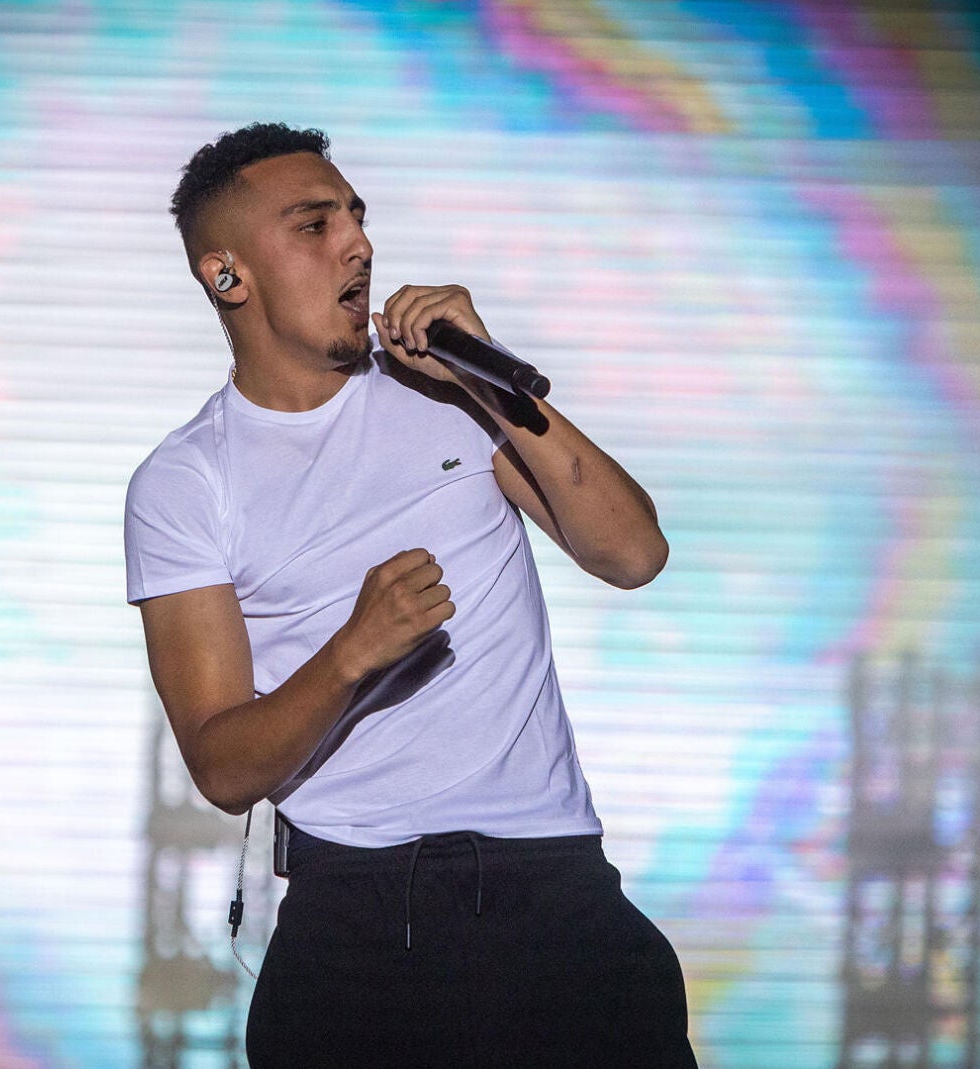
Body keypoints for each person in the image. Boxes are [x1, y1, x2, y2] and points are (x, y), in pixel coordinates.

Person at [125, 122, 695, 1068]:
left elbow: (634, 553)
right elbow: (223, 766)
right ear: (227, 275)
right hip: (360, 915)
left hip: (554, 885)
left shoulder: (449, 392)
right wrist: (353, 652)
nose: (358, 243)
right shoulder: (187, 481)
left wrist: (486, 370)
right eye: (315, 225)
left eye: (357, 217)